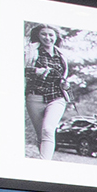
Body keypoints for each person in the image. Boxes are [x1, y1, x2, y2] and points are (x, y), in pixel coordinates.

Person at [23, 26, 69, 160]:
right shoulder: (30, 51)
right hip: (34, 96)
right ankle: (43, 167)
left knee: (48, 130)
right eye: (44, 34)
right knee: (41, 136)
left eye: (50, 35)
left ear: (56, 37)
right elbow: (17, 69)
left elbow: (64, 75)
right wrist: (35, 71)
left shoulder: (61, 55)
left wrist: (65, 84)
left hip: (57, 97)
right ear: (38, 35)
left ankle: (44, 165)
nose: (47, 38)